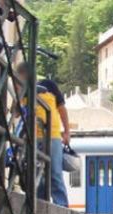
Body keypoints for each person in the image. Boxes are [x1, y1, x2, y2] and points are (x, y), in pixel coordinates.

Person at [35, 79, 70, 207]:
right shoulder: (23, 88)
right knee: (37, 174)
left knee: (55, 172)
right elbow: (15, 113)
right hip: (32, 137)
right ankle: (40, 204)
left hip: (52, 135)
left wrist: (66, 132)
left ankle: (62, 205)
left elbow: (62, 109)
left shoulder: (49, 85)